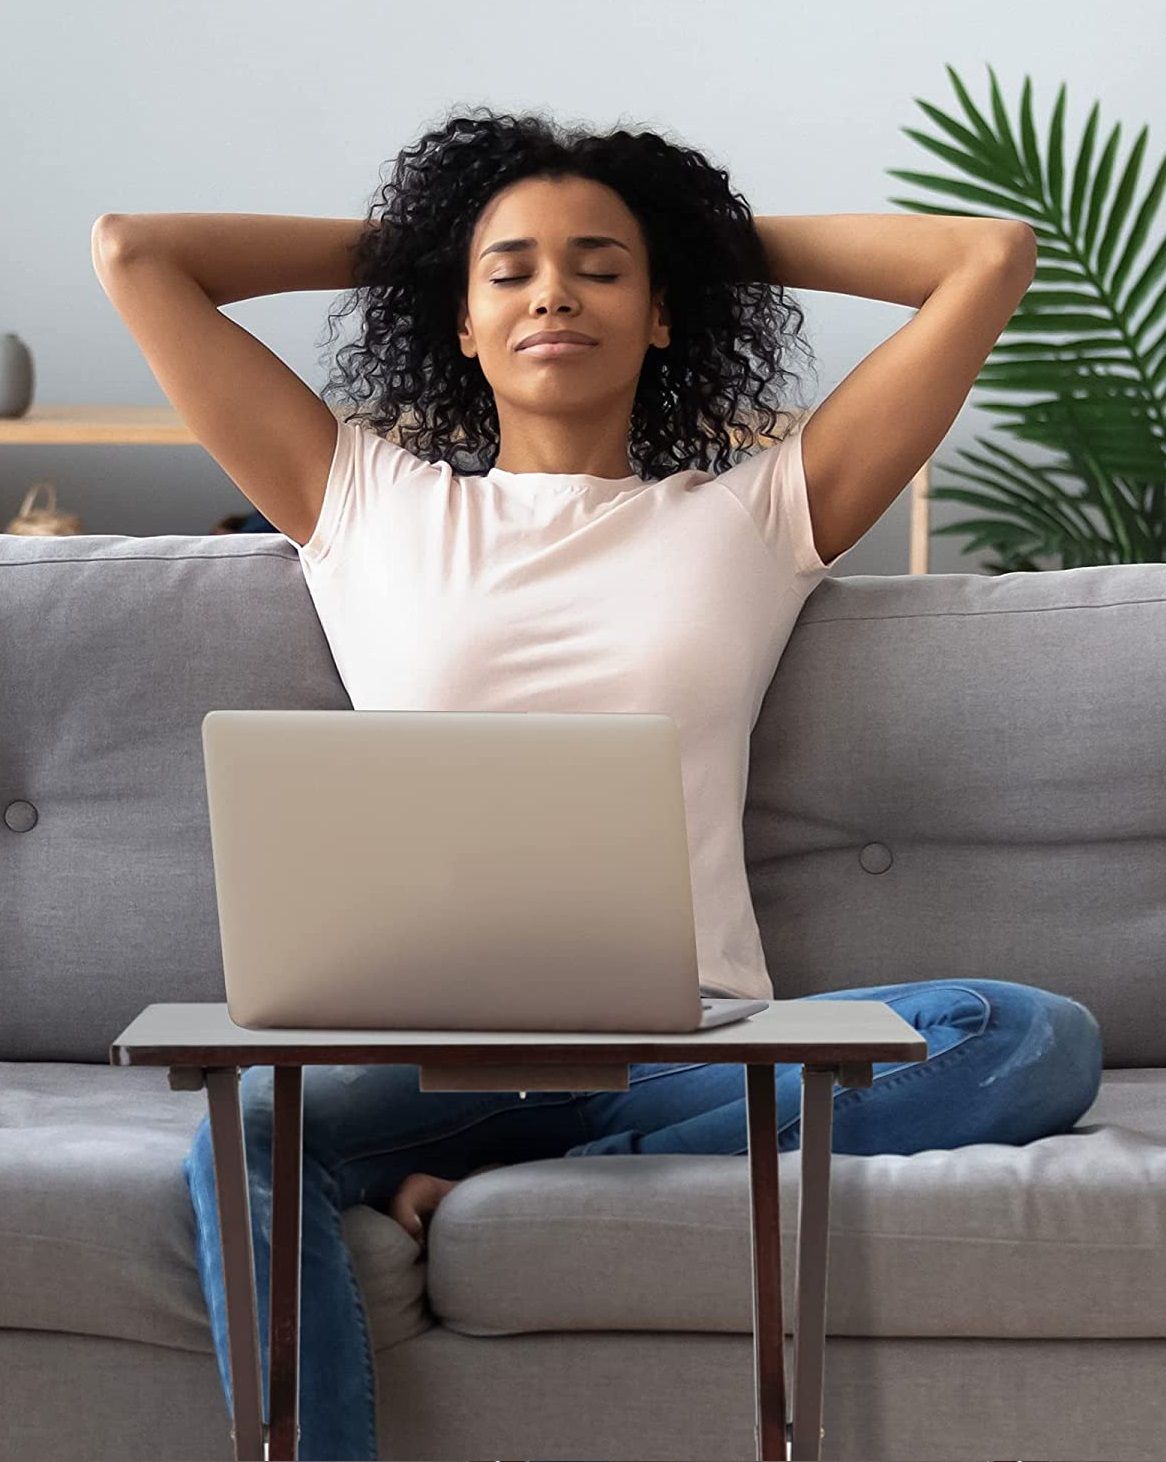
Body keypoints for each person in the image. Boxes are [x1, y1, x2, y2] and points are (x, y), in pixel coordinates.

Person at [100, 105, 1102, 1460]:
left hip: (693, 1041)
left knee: (1028, 1034)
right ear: (456, 320)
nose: (553, 292)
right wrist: (440, 240)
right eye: (507, 271)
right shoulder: (358, 498)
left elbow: (984, 255)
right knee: (247, 1138)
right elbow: (138, 252)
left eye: (601, 265)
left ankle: (538, 1180)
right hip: (424, 1051)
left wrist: (688, 233)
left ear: (664, 312)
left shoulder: (757, 514)